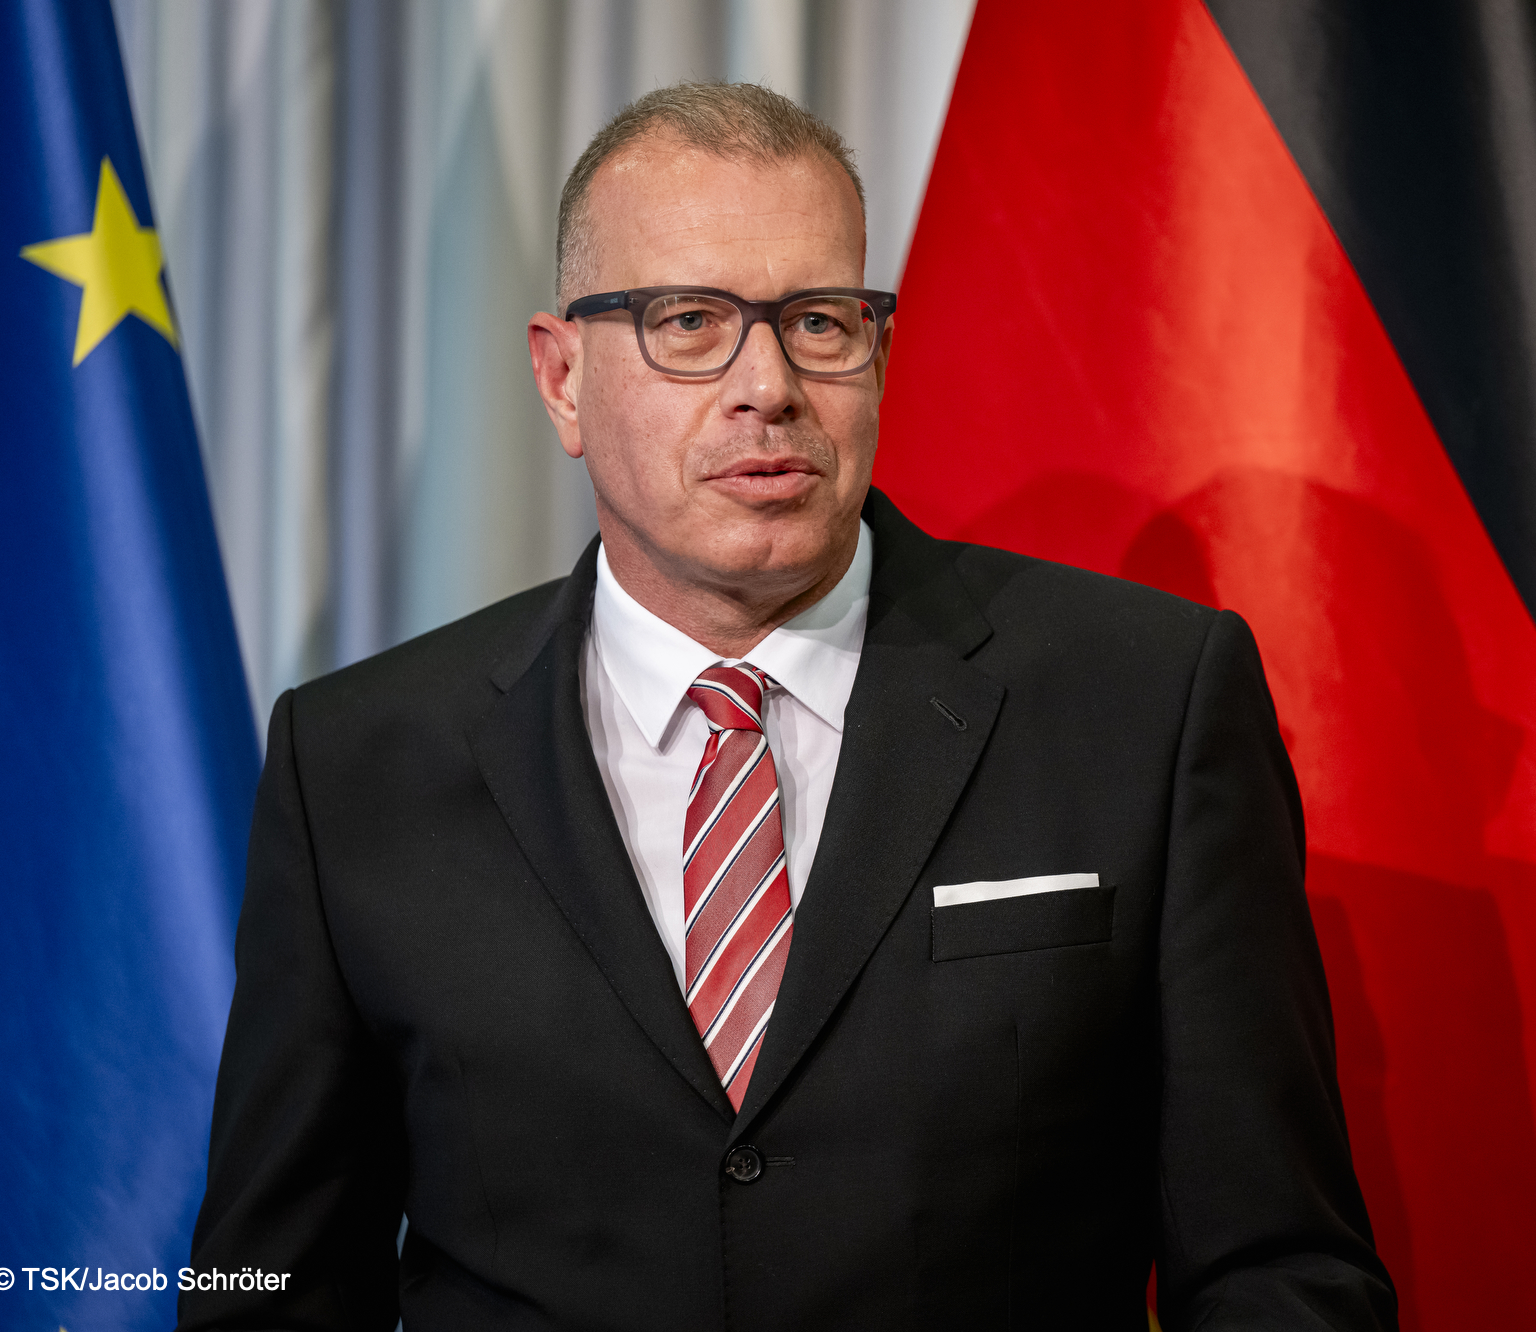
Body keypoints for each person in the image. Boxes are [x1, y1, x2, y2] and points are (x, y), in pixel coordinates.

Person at [180, 82, 1395, 1331]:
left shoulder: (1146, 701)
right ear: (560, 378)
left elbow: (1276, 1268)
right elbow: (265, 1286)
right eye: (690, 321)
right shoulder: (356, 762)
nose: (767, 384)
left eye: (819, 321)